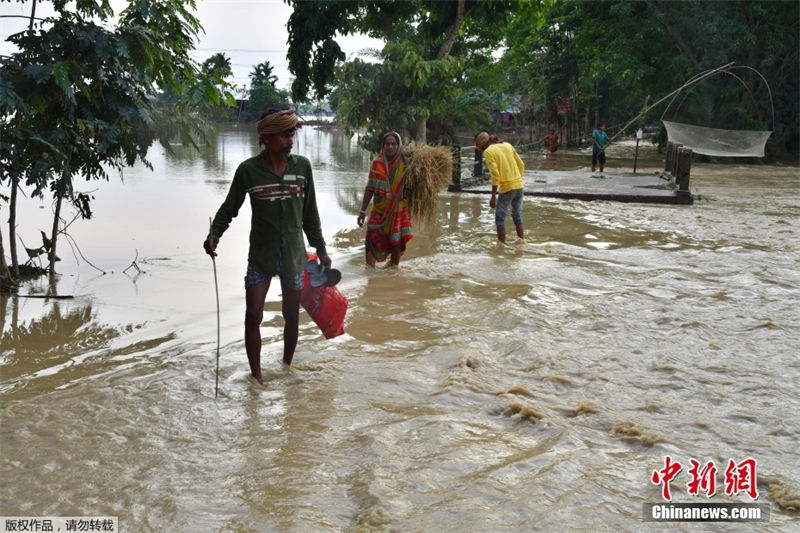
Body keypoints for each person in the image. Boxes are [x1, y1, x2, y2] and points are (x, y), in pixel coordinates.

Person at [203, 108, 331, 384]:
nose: (290, 140)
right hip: (261, 254)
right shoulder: (249, 171)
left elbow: (310, 214)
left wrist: (321, 249)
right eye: (285, 135)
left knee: (291, 316)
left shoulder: (302, 168)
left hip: (294, 255)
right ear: (266, 138)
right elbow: (229, 208)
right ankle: (257, 378)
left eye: (292, 133)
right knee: (253, 314)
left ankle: (286, 367)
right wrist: (215, 234)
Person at [356, 131, 413, 267]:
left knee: (396, 243)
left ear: (398, 146)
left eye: (394, 144)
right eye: (387, 144)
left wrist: (411, 165)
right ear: (383, 145)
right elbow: (370, 188)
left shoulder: (406, 164)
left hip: (398, 210)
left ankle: (393, 275)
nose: (390, 147)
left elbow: (414, 187)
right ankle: (369, 273)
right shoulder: (376, 164)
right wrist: (362, 211)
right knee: (370, 240)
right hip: (379, 209)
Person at [474, 131, 526, 244]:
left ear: (483, 145)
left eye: (479, 148)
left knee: (499, 218)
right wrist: (517, 179)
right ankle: (522, 241)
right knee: (516, 214)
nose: (481, 151)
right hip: (519, 185)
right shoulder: (507, 145)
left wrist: (493, 196)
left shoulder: (488, 152)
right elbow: (521, 164)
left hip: (507, 188)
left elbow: (495, 175)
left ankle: (501, 247)